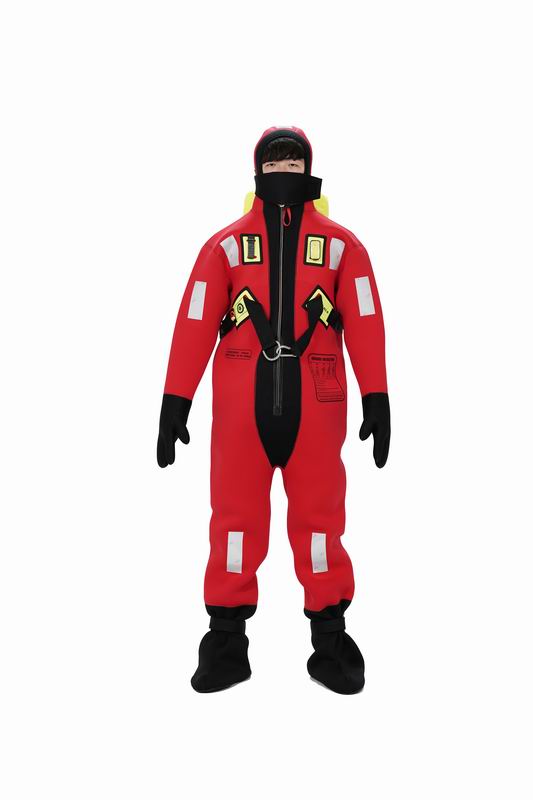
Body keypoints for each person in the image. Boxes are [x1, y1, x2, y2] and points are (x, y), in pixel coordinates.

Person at [157, 126, 391, 694]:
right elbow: (195, 320)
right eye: (274, 164)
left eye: (293, 164)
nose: (283, 172)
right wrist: (175, 400)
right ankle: (225, 641)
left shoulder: (343, 248)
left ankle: (330, 640)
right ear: (257, 172)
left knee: (320, 523)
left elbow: (365, 319)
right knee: (234, 522)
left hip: (318, 409)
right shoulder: (224, 248)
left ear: (308, 169)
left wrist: (377, 396)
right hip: (241, 411)